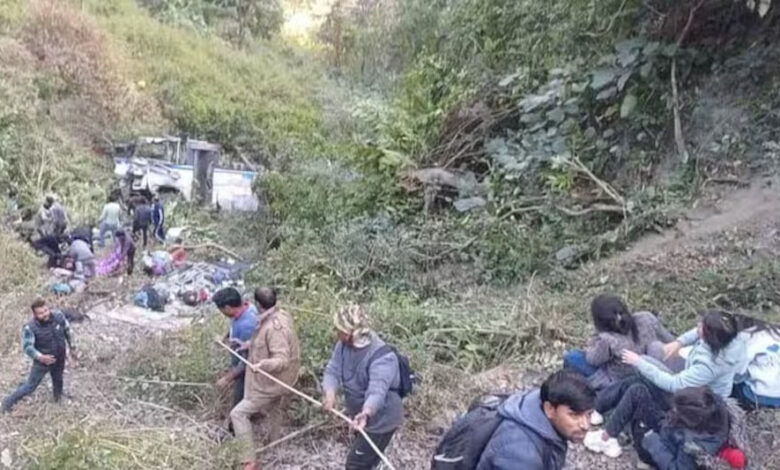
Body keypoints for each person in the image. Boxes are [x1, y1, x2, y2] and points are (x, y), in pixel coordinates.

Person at [584, 310, 748, 458]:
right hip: (694, 381)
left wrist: (639, 362)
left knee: (639, 381)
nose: (698, 325)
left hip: (696, 403)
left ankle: (606, 435)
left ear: (709, 336)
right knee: (656, 349)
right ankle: (600, 407)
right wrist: (679, 342)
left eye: (702, 326)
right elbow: (697, 333)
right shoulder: (730, 338)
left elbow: (673, 385)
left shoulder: (709, 367)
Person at [322, 304, 403, 470]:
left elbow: (377, 391)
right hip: (360, 417)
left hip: (381, 421)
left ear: (351, 333)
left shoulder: (383, 357)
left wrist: (366, 412)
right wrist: (330, 392)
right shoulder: (343, 345)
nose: (336, 333)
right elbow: (333, 369)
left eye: (339, 330)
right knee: (364, 463)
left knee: (355, 465)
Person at [230, 287, 300, 470]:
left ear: (257, 304)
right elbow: (264, 342)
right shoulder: (278, 315)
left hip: (273, 381)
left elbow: (282, 360)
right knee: (275, 407)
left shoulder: (275, 327)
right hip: (279, 380)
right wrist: (248, 344)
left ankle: (249, 460)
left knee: (238, 413)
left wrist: (263, 364)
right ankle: (274, 442)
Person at [476, 370, 596, 469]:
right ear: (549, 409)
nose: (585, 425)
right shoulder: (520, 454)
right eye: (574, 415)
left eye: (589, 414)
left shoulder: (537, 410)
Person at [563, 294, 676, 392]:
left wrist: (595, 338)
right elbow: (671, 341)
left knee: (572, 357)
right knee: (657, 347)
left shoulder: (607, 340)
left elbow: (592, 360)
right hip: (661, 372)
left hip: (623, 382)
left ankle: (579, 393)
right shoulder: (647, 318)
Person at [2, 299, 76, 412]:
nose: (45, 314)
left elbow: (68, 332)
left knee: (58, 379)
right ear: (35, 314)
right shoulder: (30, 327)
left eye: (46, 310)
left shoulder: (59, 317)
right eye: (41, 313)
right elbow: (27, 347)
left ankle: (58, 399)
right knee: (30, 386)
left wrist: (72, 348)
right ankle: (7, 403)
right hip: (42, 362)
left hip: (59, 357)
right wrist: (41, 357)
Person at [638, 386, 733, 470]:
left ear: (690, 419)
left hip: (663, 449)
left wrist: (652, 442)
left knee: (639, 426)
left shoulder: (693, 448)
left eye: (676, 410)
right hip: (668, 429)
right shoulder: (709, 405)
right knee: (638, 389)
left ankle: (643, 459)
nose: (673, 409)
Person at [213, 287, 259, 407]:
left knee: (240, 403)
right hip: (240, 360)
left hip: (247, 371)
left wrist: (227, 379)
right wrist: (224, 337)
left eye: (222, 310)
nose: (222, 313)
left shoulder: (247, 326)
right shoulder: (246, 308)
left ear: (228, 308)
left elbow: (247, 361)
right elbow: (234, 324)